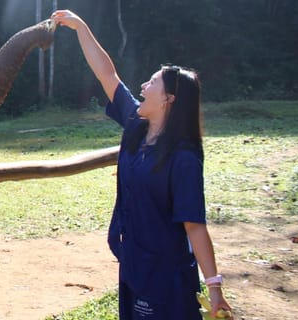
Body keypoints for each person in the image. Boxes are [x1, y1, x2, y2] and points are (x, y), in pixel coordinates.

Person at [51, 9, 233, 319]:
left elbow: (195, 226)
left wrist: (214, 288)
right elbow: (108, 75)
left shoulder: (184, 157)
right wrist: (80, 26)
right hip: (134, 263)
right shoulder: (137, 126)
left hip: (166, 275)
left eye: (151, 84)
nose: (143, 88)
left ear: (169, 100)